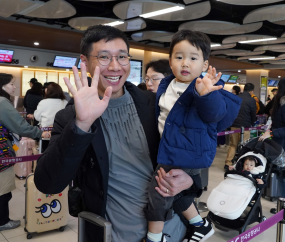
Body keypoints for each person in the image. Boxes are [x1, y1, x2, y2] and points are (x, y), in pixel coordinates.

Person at [34, 25, 195, 242]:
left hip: (174, 228)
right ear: (84, 62)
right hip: (117, 235)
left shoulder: (152, 104)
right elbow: (48, 184)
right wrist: (82, 125)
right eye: (103, 57)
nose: (114, 66)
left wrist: (190, 179)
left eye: (122, 57)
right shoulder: (69, 118)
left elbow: (189, 147)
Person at [143, 30, 241, 242]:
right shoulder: (166, 85)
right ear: (170, 62)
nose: (185, 63)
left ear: (204, 65)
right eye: (179, 57)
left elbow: (215, 115)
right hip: (171, 148)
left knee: (158, 192)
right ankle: (200, 224)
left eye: (193, 58)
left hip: (188, 152)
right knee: (174, 192)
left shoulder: (204, 87)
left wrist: (206, 95)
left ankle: (154, 237)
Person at [0, 73, 50, 232]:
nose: (15, 87)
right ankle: (2, 221)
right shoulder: (2, 102)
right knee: (3, 191)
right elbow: (19, 125)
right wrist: (39, 133)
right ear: (2, 86)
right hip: (1, 153)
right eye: (12, 84)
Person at [224, 83, 256, 171]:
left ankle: (227, 163)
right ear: (251, 91)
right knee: (245, 145)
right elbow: (253, 114)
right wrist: (253, 123)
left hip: (234, 125)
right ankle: (242, 164)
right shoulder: (251, 100)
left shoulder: (237, 97)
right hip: (245, 126)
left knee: (233, 145)